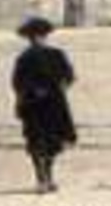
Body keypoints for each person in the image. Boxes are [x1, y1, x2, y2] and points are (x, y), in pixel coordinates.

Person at [10, 15, 77, 193]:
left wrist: (60, 86)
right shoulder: (24, 58)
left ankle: (47, 176)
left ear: (45, 36)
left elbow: (69, 76)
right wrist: (30, 93)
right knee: (37, 142)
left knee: (51, 143)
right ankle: (42, 178)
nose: (36, 39)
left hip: (50, 104)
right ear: (29, 38)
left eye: (39, 35)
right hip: (36, 105)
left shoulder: (56, 55)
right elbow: (17, 83)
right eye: (33, 36)